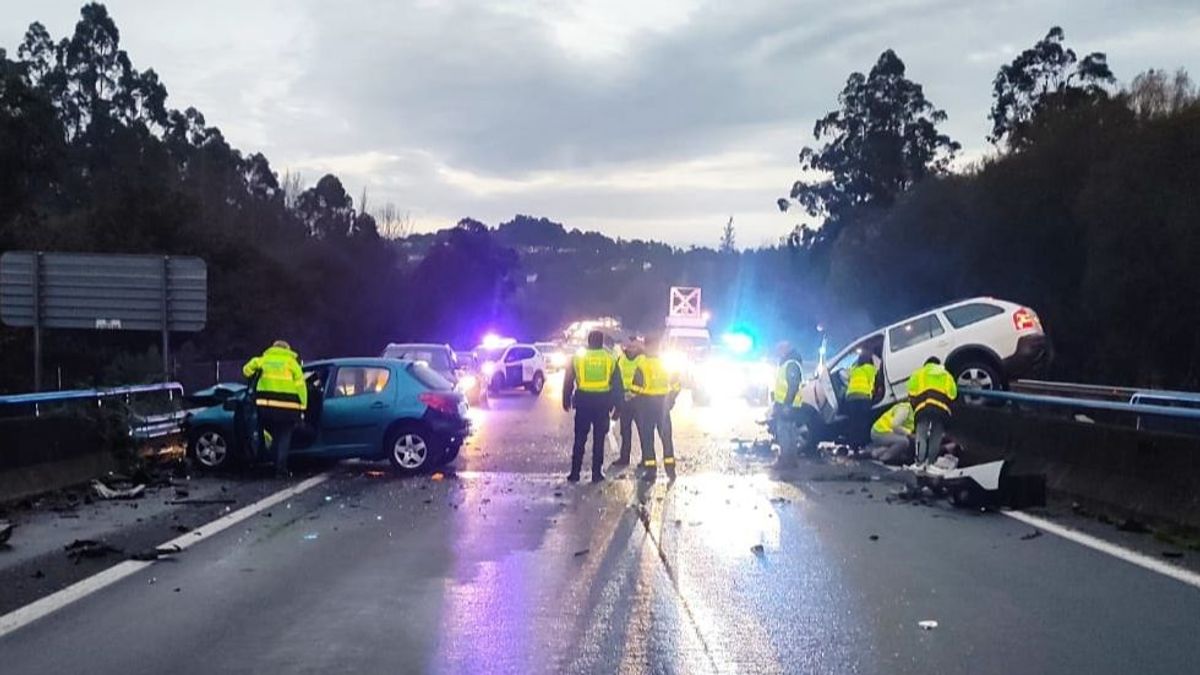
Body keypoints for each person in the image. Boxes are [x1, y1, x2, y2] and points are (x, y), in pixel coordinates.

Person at [562, 330, 623, 483]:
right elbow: (617, 385)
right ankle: (596, 473)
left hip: (583, 402)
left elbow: (568, 379)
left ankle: (575, 473)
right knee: (599, 440)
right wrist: (618, 407)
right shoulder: (610, 358)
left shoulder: (578, 358)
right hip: (602, 403)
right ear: (601, 342)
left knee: (580, 439)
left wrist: (566, 398)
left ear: (588, 341)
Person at [242, 340, 307, 478]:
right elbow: (301, 388)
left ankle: (265, 461)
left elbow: (246, 371)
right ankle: (281, 470)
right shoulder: (292, 364)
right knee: (284, 437)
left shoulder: (263, 360)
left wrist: (255, 368)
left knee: (270, 435)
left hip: (266, 406)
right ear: (287, 349)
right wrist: (303, 407)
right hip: (288, 408)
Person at [629, 335, 680, 481]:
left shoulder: (642, 365)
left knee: (648, 439)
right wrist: (671, 399)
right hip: (663, 405)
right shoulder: (667, 363)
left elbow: (635, 388)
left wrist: (631, 398)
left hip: (646, 405)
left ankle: (651, 472)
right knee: (666, 438)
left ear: (646, 346)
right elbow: (677, 386)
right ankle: (671, 471)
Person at [907, 357, 958, 469]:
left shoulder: (918, 373)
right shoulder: (947, 375)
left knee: (921, 435)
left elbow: (911, 393)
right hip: (942, 410)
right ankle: (931, 463)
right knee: (936, 436)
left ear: (926, 364)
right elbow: (953, 395)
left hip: (923, 408)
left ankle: (919, 462)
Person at [611, 337, 642, 467]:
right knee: (625, 431)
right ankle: (624, 458)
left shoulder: (642, 359)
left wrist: (634, 393)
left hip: (639, 400)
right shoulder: (621, 359)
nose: (631, 348)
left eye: (633, 346)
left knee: (643, 431)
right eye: (629, 346)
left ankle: (647, 458)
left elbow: (644, 378)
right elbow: (615, 379)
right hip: (625, 399)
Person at [772, 342, 805, 457]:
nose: (778, 352)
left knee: (784, 432)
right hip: (788, 404)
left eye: (780, 349)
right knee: (790, 432)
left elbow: (793, 386)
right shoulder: (788, 363)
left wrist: (786, 404)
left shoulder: (790, 364)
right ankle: (791, 460)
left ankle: (785, 460)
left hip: (788, 405)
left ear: (786, 350)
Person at [844, 349, 879, 449]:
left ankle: (853, 445)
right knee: (863, 422)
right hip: (863, 396)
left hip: (851, 397)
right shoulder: (871, 368)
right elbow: (874, 382)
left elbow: (847, 377)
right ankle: (863, 444)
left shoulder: (855, 369)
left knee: (854, 421)